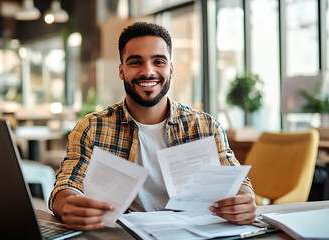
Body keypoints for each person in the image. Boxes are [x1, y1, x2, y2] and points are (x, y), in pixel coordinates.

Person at [49, 22, 256, 231]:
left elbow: (237, 181)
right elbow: (67, 184)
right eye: (135, 62)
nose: (148, 72)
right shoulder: (92, 128)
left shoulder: (205, 127)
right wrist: (68, 204)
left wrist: (245, 200)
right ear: (121, 71)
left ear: (171, 69)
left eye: (158, 61)